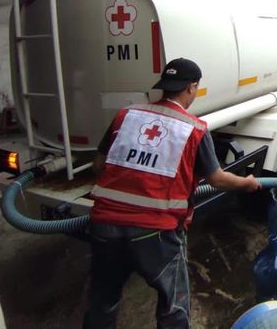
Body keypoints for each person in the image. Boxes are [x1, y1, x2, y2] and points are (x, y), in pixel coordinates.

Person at [84, 58, 262, 329]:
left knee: (102, 301)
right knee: (172, 305)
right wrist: (247, 183)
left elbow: (99, 166)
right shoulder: (194, 128)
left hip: (104, 225)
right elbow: (216, 179)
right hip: (155, 232)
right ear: (192, 87)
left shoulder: (126, 115)